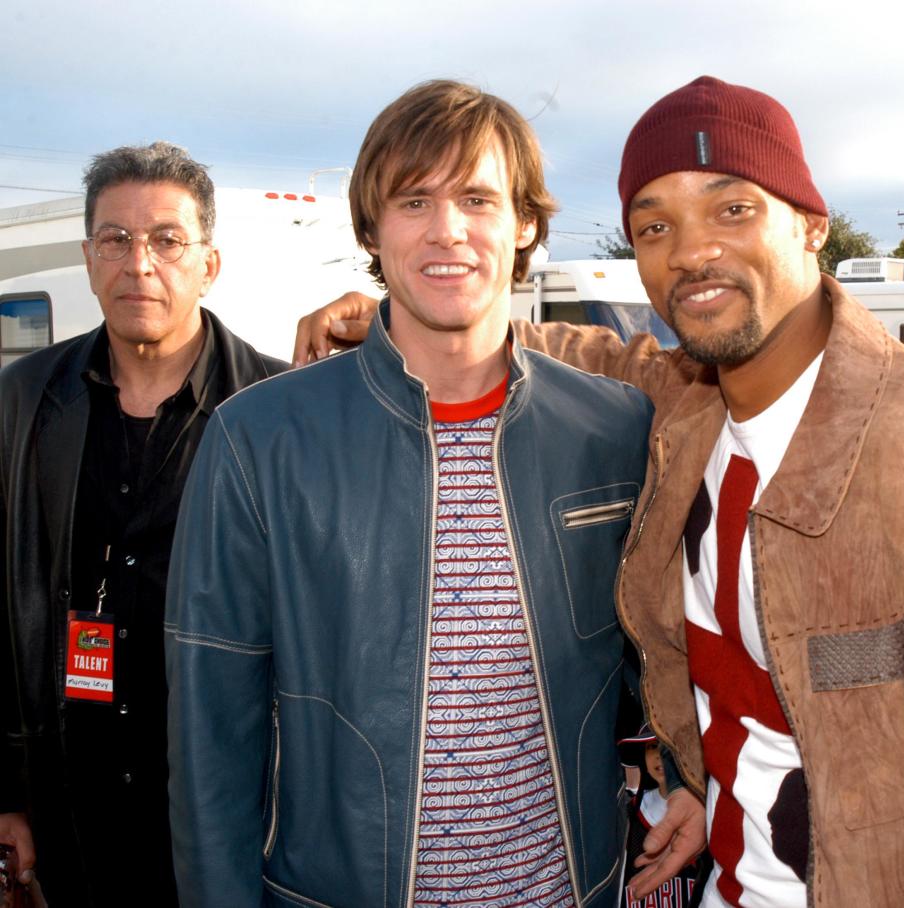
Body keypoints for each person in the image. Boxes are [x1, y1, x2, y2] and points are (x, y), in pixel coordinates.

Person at [296, 75, 904, 905]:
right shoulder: (686, 408)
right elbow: (586, 354)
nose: (691, 251)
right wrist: (411, 314)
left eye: (732, 210)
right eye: (655, 225)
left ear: (812, 223)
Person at [164, 80, 702, 907]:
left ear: (525, 224)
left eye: (478, 199)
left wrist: (692, 773)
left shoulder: (613, 428)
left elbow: (663, 648)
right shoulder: (257, 441)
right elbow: (211, 742)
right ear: (372, 230)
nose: (448, 230)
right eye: (414, 200)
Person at [0, 142, 285, 906]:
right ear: (89, 257)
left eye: (166, 240)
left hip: (228, 811)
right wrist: (10, 792)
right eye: (116, 240)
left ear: (209, 263)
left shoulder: (275, 408)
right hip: (72, 811)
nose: (140, 264)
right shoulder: (23, 401)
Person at [619, 726, 701, 908]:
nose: (660, 755)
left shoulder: (710, 814)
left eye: (669, 745)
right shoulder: (626, 814)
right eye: (652, 746)